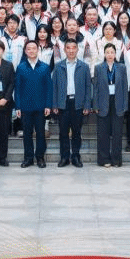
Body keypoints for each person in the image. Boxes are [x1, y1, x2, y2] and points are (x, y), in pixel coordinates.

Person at [52, 40, 92, 168]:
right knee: (63, 132)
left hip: (78, 103)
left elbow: (88, 87)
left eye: (73, 48)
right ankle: (64, 157)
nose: (71, 50)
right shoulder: (58, 66)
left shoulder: (84, 66)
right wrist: (55, 104)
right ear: (64, 50)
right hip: (63, 103)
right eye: (68, 48)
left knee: (76, 132)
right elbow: (54, 87)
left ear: (77, 50)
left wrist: (87, 105)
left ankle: (75, 156)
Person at [16, 41, 53, 168]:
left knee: (40, 134)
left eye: (34, 48)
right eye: (29, 49)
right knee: (27, 134)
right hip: (25, 107)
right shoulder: (20, 67)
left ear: (37, 50)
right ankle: (28, 158)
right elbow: (18, 88)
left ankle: (40, 158)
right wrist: (18, 106)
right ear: (25, 51)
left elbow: (49, 88)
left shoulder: (45, 67)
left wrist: (48, 105)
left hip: (40, 107)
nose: (31, 51)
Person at [92, 43, 128, 168]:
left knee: (117, 133)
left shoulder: (121, 67)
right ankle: (104, 159)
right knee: (103, 133)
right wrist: (95, 105)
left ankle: (116, 160)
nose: (110, 55)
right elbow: (95, 88)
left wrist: (125, 105)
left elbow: (125, 87)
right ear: (104, 54)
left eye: (112, 52)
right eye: (107, 52)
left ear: (115, 54)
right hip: (103, 101)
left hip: (118, 101)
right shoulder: (98, 68)